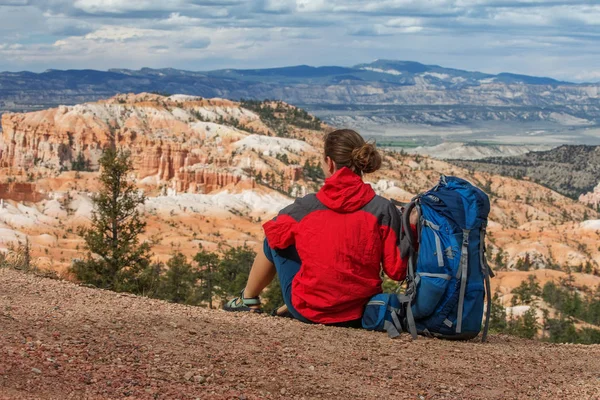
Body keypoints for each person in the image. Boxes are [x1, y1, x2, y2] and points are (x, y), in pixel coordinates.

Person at [224, 129, 414, 327]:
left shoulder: (306, 207)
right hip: (360, 313)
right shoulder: (383, 209)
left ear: (329, 163)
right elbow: (397, 271)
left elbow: (275, 236)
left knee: (274, 238)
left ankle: (247, 300)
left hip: (309, 311)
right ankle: (280, 307)